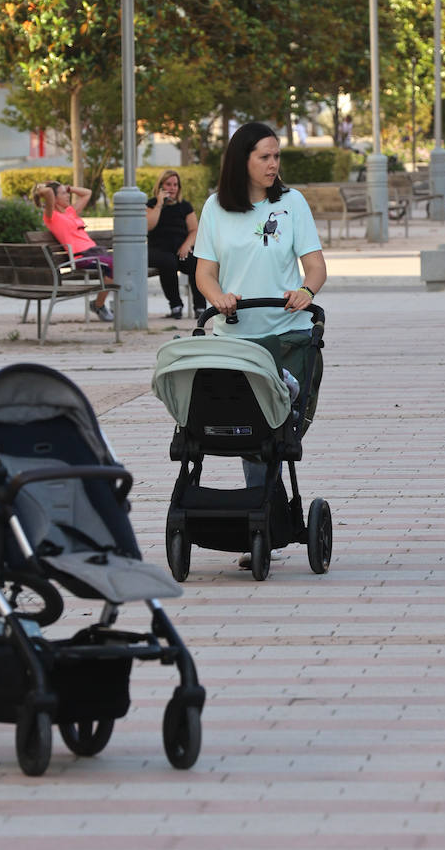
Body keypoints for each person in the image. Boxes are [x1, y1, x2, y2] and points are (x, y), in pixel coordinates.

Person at [195, 121, 327, 563]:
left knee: (274, 431)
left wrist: (306, 291)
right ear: (242, 161)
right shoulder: (215, 208)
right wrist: (218, 298)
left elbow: (315, 266)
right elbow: (205, 273)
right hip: (235, 337)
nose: (273, 164)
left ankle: (263, 523)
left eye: (276, 156)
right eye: (264, 157)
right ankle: (262, 523)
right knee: (248, 429)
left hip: (286, 335)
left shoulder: (291, 203)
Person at [32, 180, 114, 321]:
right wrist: (41, 188)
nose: (68, 195)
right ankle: (98, 305)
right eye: (63, 193)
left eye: (67, 193)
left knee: (126, 261)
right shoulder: (51, 216)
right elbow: (48, 192)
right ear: (54, 198)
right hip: (81, 257)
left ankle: (116, 304)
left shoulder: (71, 212)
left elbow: (87, 193)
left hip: (95, 252)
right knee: (114, 265)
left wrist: (68, 188)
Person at [146, 170, 206, 320]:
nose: (172, 188)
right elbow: (148, 226)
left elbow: (194, 230)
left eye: (175, 185)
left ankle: (200, 307)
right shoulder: (151, 204)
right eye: (168, 184)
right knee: (168, 262)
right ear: (161, 186)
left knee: (196, 262)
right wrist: (159, 204)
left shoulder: (184, 206)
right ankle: (176, 306)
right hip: (158, 249)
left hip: (180, 248)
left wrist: (187, 245)